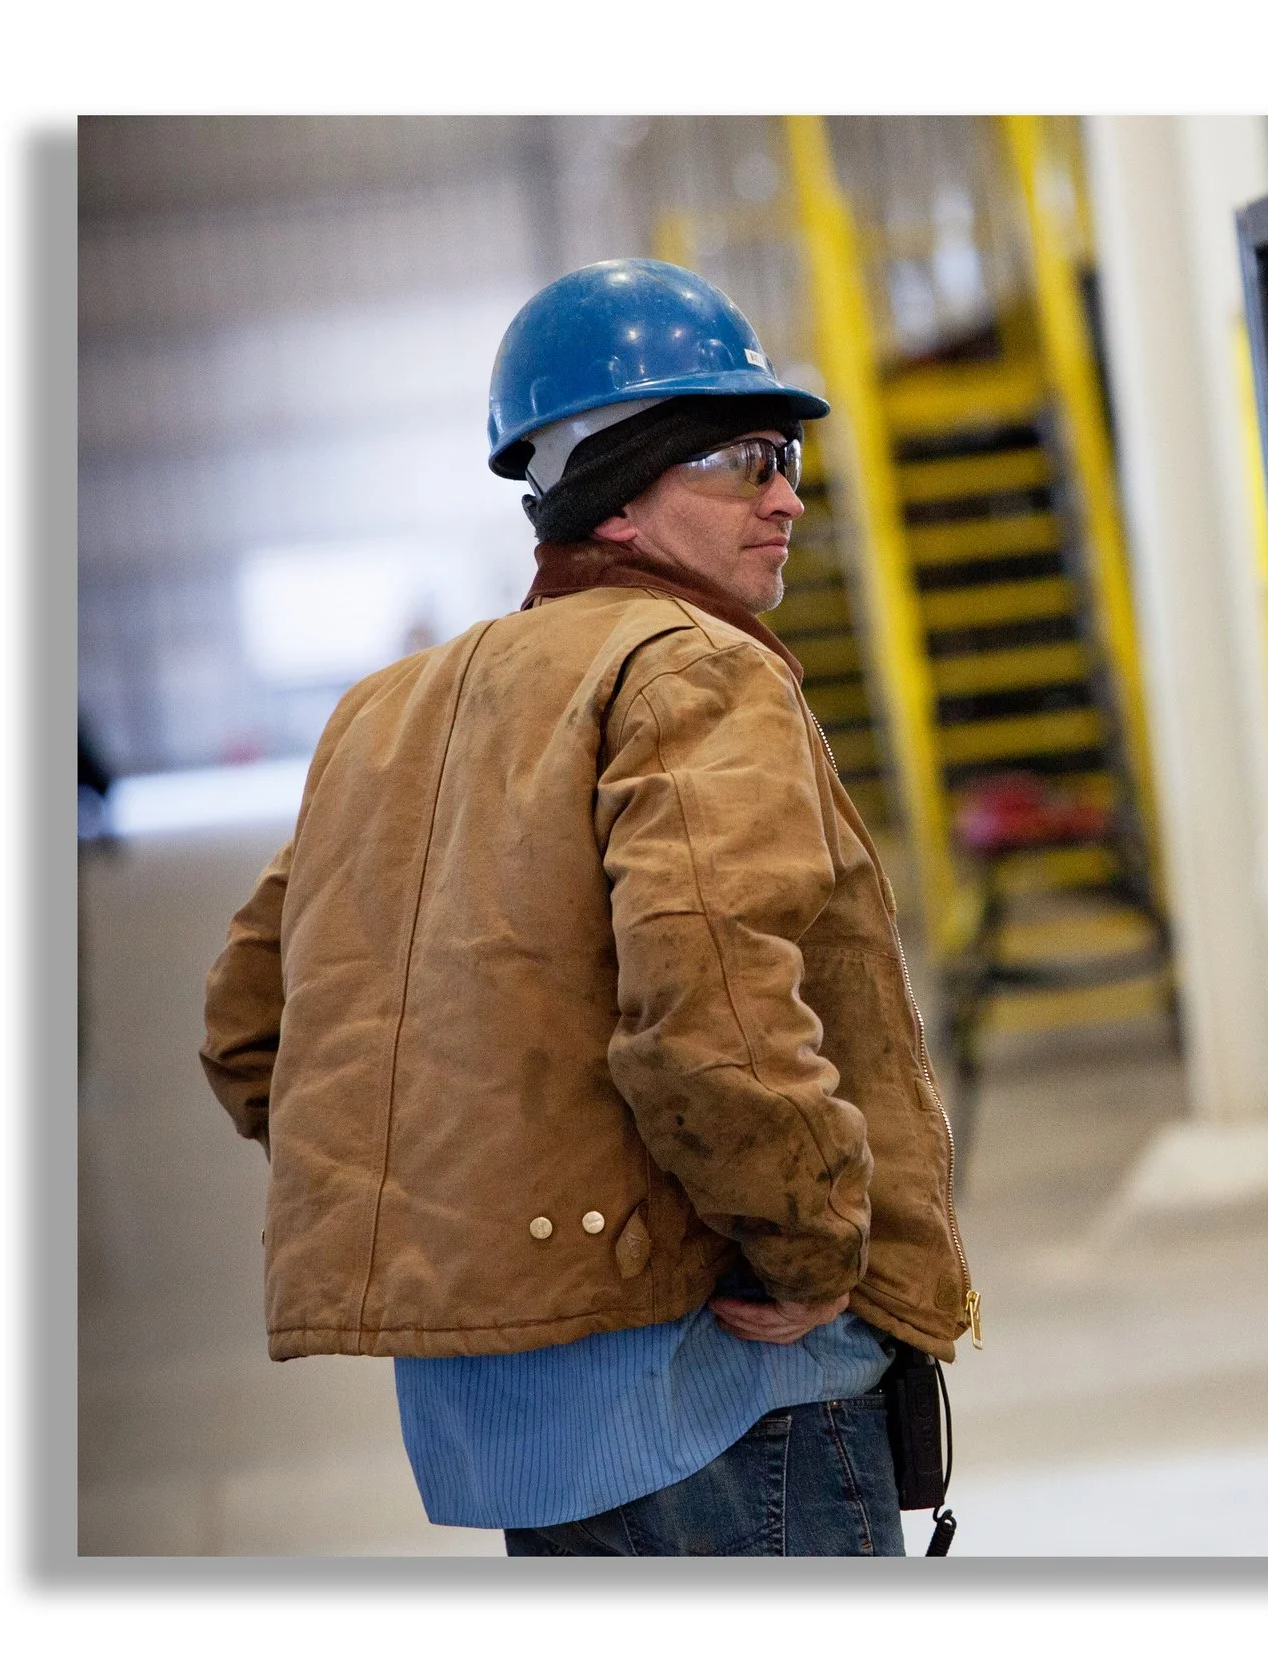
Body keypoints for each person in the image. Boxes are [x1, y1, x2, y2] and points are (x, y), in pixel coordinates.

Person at [199, 258, 974, 1557]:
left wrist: (491, 1205)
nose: (786, 495)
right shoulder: (692, 668)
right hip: (724, 1387)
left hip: (521, 1414)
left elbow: (249, 1029)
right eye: (739, 458)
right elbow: (712, 1012)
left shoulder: (391, 710)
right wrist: (801, 1246)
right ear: (614, 495)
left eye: (786, 457)